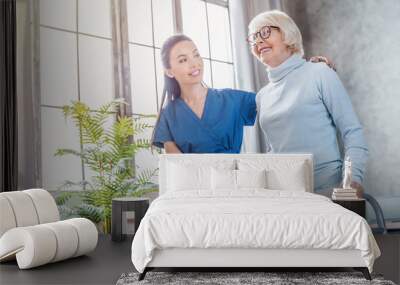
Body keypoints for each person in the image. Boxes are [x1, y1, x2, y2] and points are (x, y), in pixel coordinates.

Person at [248, 10, 368, 197]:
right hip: (284, 197)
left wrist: (351, 181)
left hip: (327, 192)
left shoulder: (320, 73)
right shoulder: (262, 96)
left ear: (287, 34)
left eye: (264, 32)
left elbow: (352, 131)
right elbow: (275, 148)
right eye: (253, 37)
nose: (258, 41)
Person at [151, 34, 332, 154]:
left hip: (236, 184)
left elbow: (277, 96)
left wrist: (305, 70)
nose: (194, 64)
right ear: (169, 71)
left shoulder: (232, 100)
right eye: (183, 60)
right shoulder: (169, 114)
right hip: (194, 192)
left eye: (196, 55)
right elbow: (177, 168)